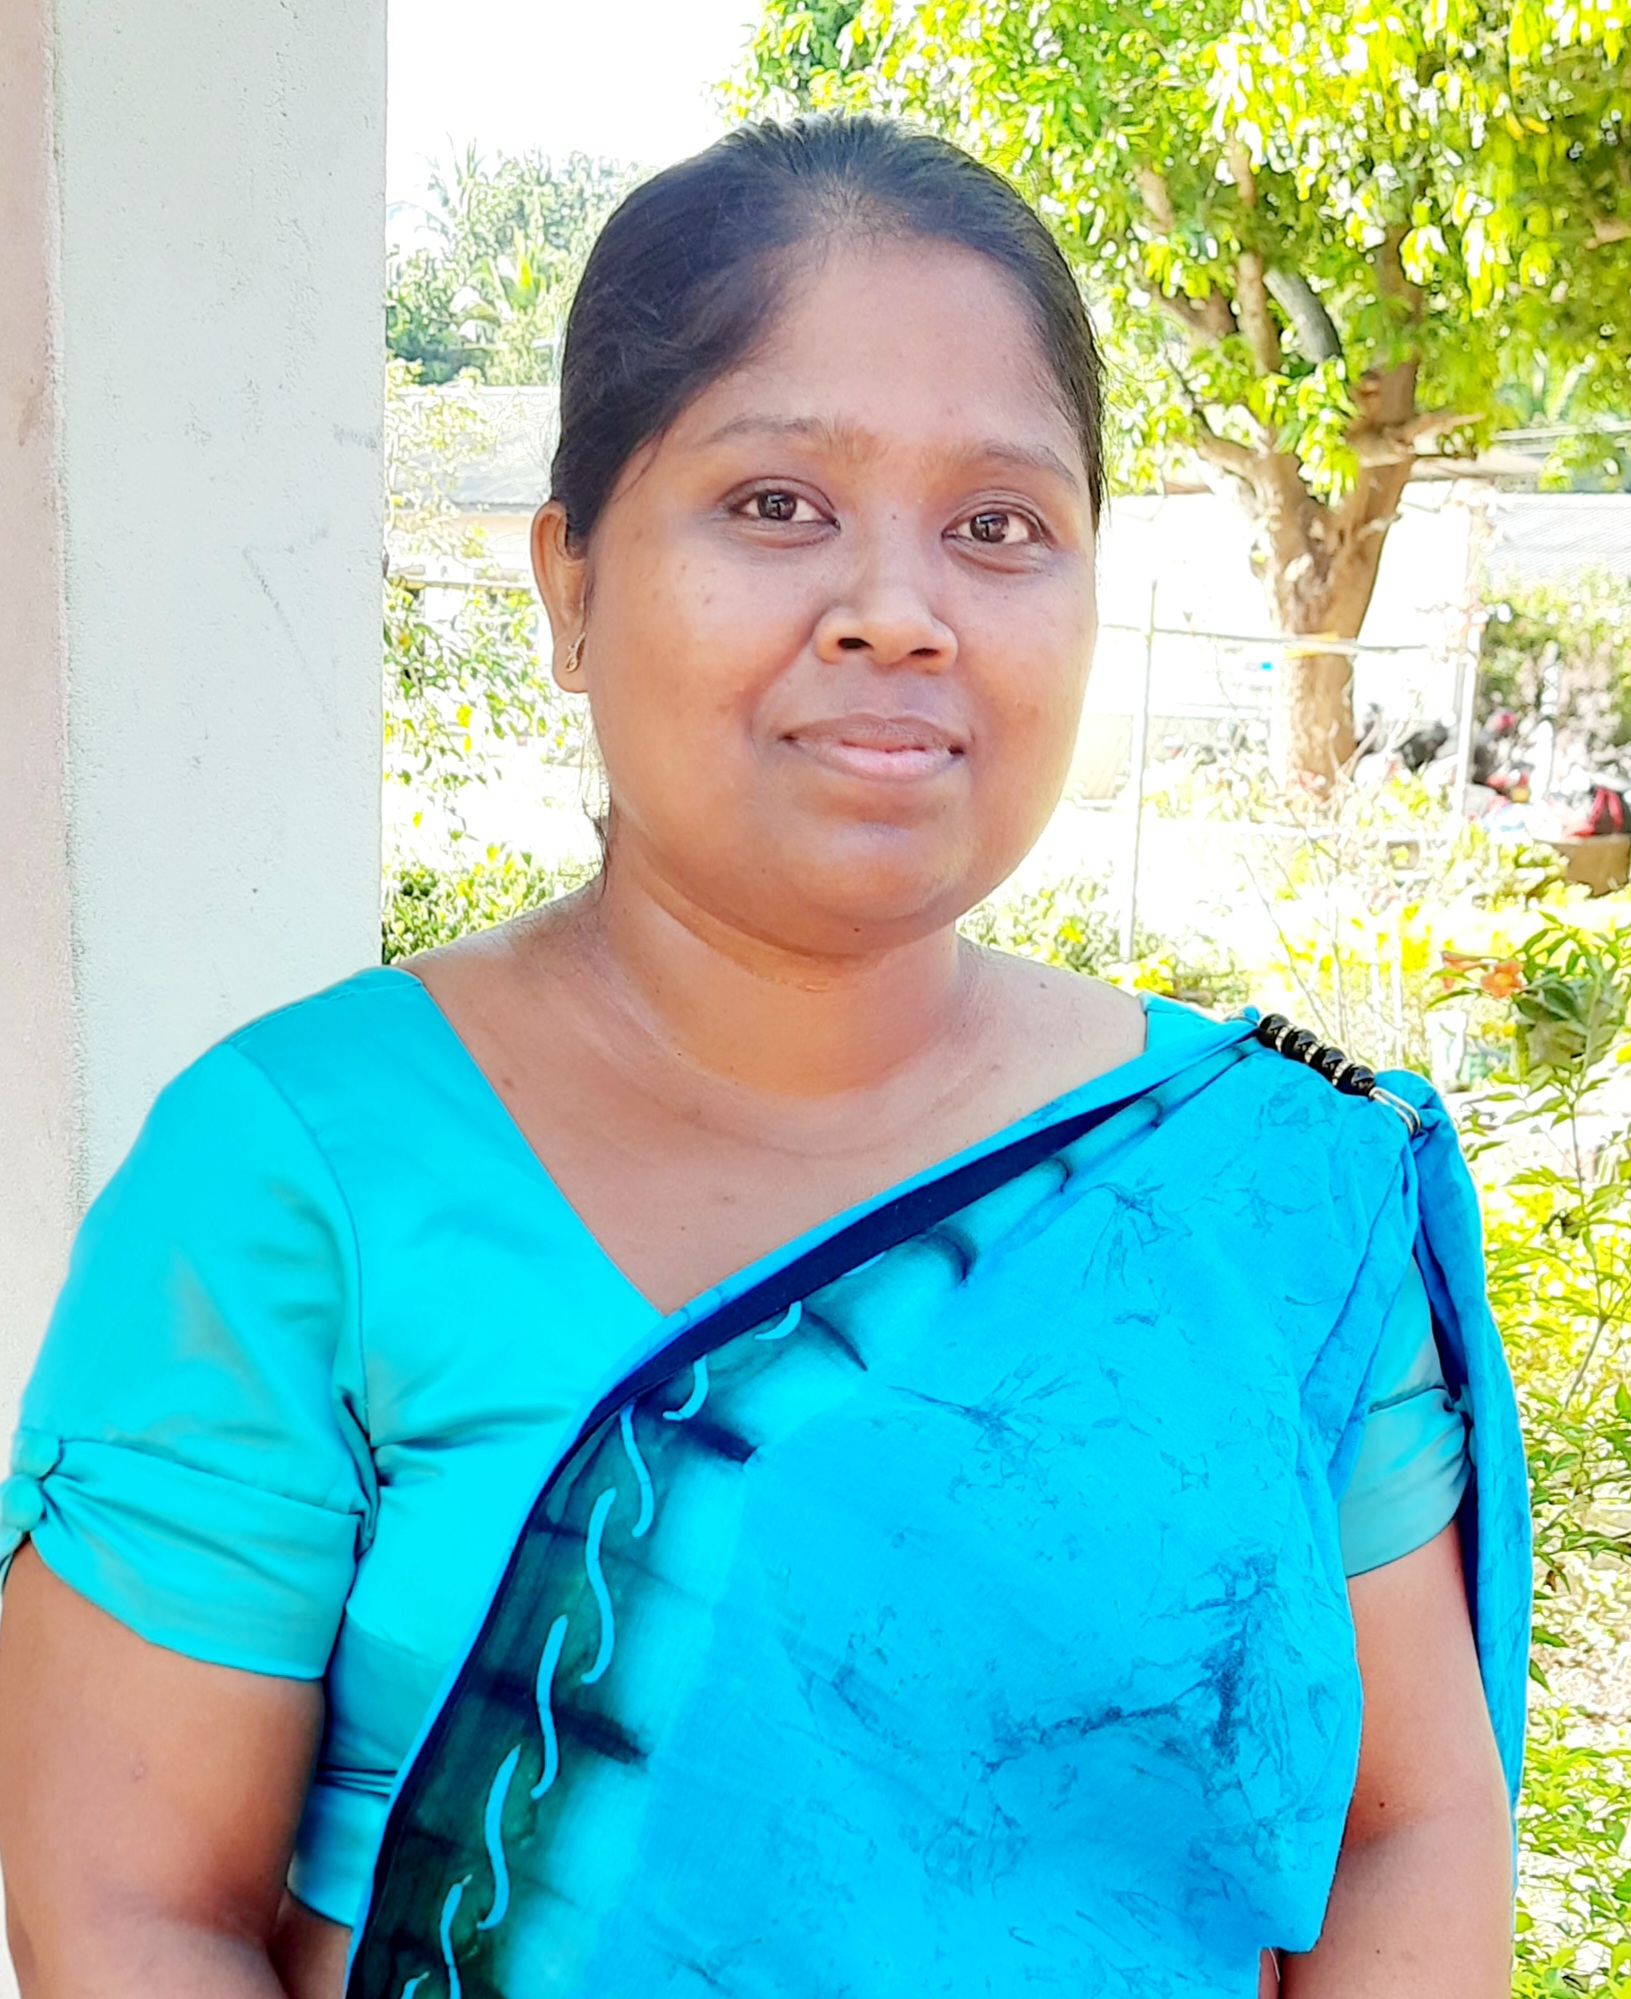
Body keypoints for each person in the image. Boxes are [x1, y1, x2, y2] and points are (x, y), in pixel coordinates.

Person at [0, 115, 1527, 1999]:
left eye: (999, 525)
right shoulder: (302, 1175)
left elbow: (1403, 1829)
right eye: (778, 503)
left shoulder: (1264, 1196)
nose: (899, 610)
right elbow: (138, 1907)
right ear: (570, 583)